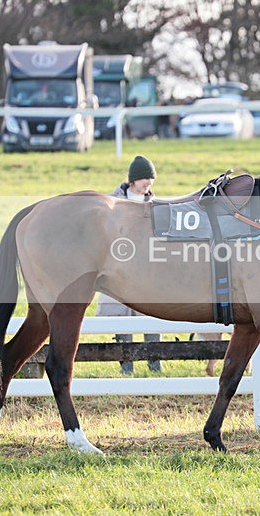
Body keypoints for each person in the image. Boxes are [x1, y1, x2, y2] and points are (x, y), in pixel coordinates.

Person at [96, 155, 161, 373]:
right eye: (144, 178)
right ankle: (127, 366)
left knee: (151, 314)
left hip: (147, 268)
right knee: (123, 315)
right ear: (133, 180)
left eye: (151, 179)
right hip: (119, 267)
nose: (148, 183)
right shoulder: (111, 203)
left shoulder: (156, 204)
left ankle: (154, 362)